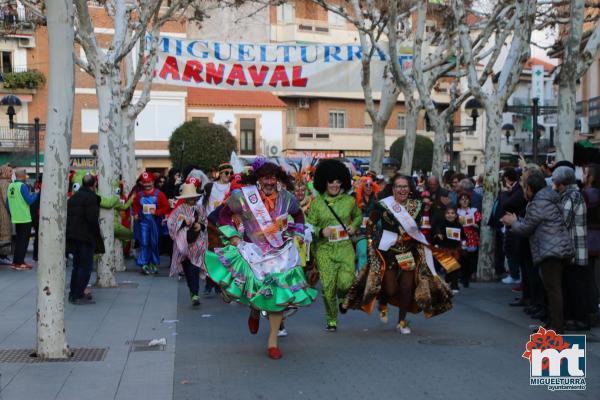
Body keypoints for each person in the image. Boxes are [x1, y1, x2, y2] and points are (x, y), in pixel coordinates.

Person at [205, 159, 317, 360]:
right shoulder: (244, 197)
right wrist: (233, 235)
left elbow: (299, 215)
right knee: (256, 294)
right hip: (253, 253)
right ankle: (255, 311)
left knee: (278, 297)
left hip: (280, 254)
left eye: (272, 177)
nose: (269, 181)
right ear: (258, 179)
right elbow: (223, 215)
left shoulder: (287, 198)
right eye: (265, 177)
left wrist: (298, 233)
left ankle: (272, 341)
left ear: (278, 180)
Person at [343, 174, 453, 334]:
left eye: (405, 186)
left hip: (407, 252)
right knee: (390, 289)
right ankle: (383, 302)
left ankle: (401, 321)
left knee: (407, 287)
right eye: (398, 186)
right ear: (393, 189)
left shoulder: (418, 205)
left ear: (410, 189)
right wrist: (372, 241)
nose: (402, 189)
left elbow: (417, 227)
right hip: (388, 252)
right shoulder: (383, 205)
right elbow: (372, 225)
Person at [501, 171, 574, 333]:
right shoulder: (549, 199)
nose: (524, 191)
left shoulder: (538, 203)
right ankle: (552, 322)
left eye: (526, 187)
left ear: (531, 188)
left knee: (552, 288)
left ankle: (556, 326)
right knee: (553, 288)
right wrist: (517, 221)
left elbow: (526, 228)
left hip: (550, 250)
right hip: (557, 248)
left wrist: (513, 222)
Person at [306, 159, 362, 332]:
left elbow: (359, 216)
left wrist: (354, 226)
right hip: (324, 249)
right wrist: (320, 230)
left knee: (346, 282)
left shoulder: (349, 201)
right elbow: (307, 226)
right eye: (331, 181)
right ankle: (331, 319)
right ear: (324, 182)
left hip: (344, 247)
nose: (335, 185)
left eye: (338, 181)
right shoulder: (316, 203)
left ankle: (344, 296)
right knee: (328, 287)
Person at [552, 166, 590, 331]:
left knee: (574, 287)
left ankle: (580, 320)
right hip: (573, 249)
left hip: (573, 249)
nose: (553, 183)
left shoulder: (571, 196)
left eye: (554, 180)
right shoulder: (571, 195)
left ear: (561, 182)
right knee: (572, 286)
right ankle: (575, 318)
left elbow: (563, 221)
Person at [167, 183, 208, 307]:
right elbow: (170, 223)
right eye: (189, 197)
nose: (192, 200)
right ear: (184, 198)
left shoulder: (201, 208)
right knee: (188, 269)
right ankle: (193, 291)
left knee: (195, 268)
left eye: (193, 197)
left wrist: (200, 225)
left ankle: (195, 293)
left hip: (198, 243)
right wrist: (183, 222)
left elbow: (205, 221)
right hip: (183, 245)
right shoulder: (179, 210)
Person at [66, 174, 103, 305]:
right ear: (94, 185)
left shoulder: (74, 197)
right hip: (86, 237)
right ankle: (78, 294)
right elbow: (92, 219)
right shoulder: (91, 198)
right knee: (85, 267)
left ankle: (73, 293)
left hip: (74, 236)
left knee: (77, 266)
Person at [133, 171, 171, 275]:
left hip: (155, 223)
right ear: (141, 183)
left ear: (153, 182)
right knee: (144, 242)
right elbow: (135, 205)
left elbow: (167, 207)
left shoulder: (159, 194)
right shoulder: (139, 195)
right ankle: (143, 263)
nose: (147, 184)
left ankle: (153, 263)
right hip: (143, 223)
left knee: (154, 243)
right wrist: (136, 213)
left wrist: (157, 212)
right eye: (144, 182)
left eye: (149, 182)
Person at [6, 168, 38, 271]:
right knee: (23, 241)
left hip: (16, 218)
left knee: (19, 240)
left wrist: (13, 212)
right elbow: (29, 201)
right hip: (25, 218)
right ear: (22, 176)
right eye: (25, 175)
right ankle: (19, 263)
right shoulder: (22, 186)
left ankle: (16, 262)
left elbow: (7, 204)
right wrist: (36, 194)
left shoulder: (10, 186)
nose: (26, 177)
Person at [500, 167, 527, 285]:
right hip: (512, 223)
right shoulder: (516, 190)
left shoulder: (518, 191)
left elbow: (506, 204)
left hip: (515, 224)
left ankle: (515, 274)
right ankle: (515, 274)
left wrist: (505, 192)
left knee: (512, 250)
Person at [582, 164, 600, 326]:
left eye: (586, 173)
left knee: (589, 279)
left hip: (590, 241)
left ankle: (592, 312)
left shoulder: (588, 194)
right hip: (594, 240)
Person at [433, 206, 465, 293]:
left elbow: (463, 236)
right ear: (445, 215)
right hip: (445, 249)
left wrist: (464, 242)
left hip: (456, 249)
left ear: (455, 215)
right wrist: (438, 236)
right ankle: (451, 283)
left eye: (452, 213)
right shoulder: (442, 225)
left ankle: (453, 285)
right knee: (451, 267)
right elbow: (437, 235)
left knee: (454, 267)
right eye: (448, 213)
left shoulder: (459, 225)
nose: (450, 215)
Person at [457, 192, 481, 288]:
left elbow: (479, 223)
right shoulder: (457, 212)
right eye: (462, 199)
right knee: (463, 257)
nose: (464, 201)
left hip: (471, 236)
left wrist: (475, 225)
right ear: (459, 201)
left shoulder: (474, 211)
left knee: (472, 257)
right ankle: (463, 276)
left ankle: (469, 275)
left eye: (466, 199)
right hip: (462, 237)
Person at [0, 164, 13, 263]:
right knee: (5, 233)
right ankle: (3, 256)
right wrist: (10, 210)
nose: (11, 173)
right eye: (9, 171)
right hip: (4, 212)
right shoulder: (5, 183)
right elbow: (5, 199)